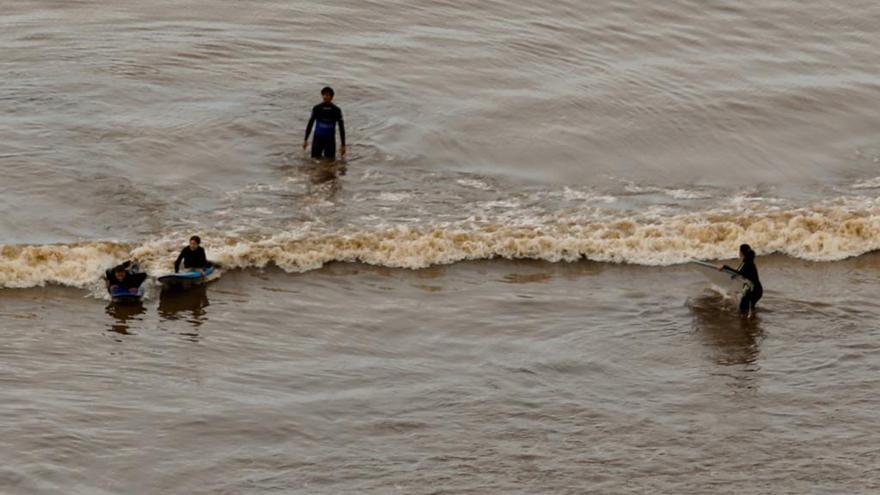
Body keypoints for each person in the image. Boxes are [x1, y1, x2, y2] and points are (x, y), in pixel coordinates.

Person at [303, 86, 346, 160]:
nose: (325, 97)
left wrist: (343, 145)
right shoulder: (317, 108)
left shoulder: (336, 110)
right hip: (317, 139)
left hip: (330, 140)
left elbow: (341, 127)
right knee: (314, 162)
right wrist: (305, 140)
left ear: (332, 97)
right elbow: (310, 123)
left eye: (328, 95)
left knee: (330, 163)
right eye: (324, 95)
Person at [720, 244, 763, 318]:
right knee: (746, 308)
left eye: (739, 251)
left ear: (742, 252)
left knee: (743, 309)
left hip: (754, 291)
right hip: (753, 290)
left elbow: (739, 273)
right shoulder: (746, 262)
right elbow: (740, 273)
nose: (739, 253)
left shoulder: (748, 263)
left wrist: (725, 267)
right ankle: (752, 321)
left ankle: (749, 325)